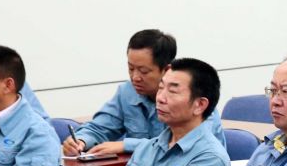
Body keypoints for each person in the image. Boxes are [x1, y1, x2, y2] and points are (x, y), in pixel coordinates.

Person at [102, 58, 232, 166]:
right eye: (161, 88)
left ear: (199, 105)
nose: (160, 98)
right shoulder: (148, 148)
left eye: (172, 91)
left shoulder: (210, 158)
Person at [63, 29, 223, 156]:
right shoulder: (127, 92)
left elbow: (185, 143)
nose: (135, 77)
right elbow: (100, 127)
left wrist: (126, 145)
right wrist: (81, 140)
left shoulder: (194, 100)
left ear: (166, 69)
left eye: (144, 71)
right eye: (131, 68)